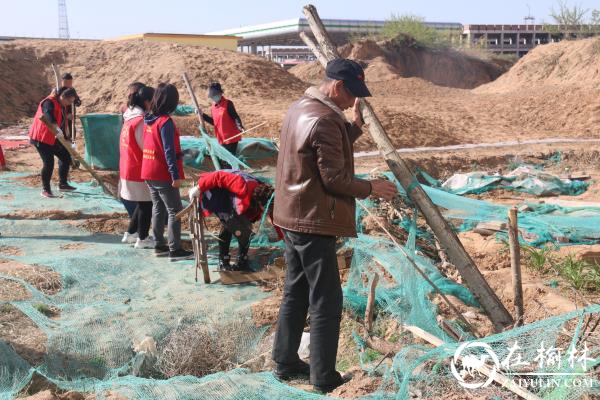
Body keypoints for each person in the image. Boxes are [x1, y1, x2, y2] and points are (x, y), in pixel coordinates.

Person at [271, 59, 398, 392]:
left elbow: (317, 154)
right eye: (351, 95)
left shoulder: (301, 107)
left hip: (292, 215)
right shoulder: (326, 118)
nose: (352, 102)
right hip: (313, 219)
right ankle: (323, 376)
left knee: (295, 291)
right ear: (337, 87)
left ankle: (285, 362)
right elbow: (334, 177)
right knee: (327, 299)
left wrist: (353, 128)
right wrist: (372, 188)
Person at [188, 170, 281, 271]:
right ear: (259, 202)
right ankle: (223, 261)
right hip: (218, 195)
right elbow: (218, 175)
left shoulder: (268, 198)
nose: (266, 213)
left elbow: (276, 220)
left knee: (245, 229)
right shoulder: (241, 185)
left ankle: (242, 261)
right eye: (265, 209)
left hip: (233, 201)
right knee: (237, 228)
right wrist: (199, 188)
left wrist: (285, 239)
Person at [141, 83, 194, 261]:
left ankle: (159, 245)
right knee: (175, 210)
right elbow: (168, 151)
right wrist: (175, 176)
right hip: (162, 173)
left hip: (148, 170)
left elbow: (157, 145)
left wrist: (182, 154)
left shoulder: (149, 119)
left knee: (158, 208)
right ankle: (175, 249)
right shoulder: (165, 122)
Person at [119, 83, 155, 249]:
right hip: (138, 167)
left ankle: (131, 233)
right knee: (146, 203)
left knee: (141, 203)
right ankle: (143, 238)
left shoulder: (129, 117)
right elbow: (145, 145)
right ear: (147, 102)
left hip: (128, 165)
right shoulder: (140, 121)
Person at [28, 87, 79, 198]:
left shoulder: (61, 104)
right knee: (49, 162)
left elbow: (62, 122)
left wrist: (65, 137)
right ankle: (45, 190)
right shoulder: (48, 102)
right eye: (69, 101)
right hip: (41, 138)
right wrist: (57, 129)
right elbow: (48, 116)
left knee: (65, 156)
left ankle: (63, 184)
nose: (69, 104)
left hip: (53, 137)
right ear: (62, 97)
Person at [201, 82, 245, 167]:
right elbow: (214, 122)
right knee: (223, 161)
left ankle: (229, 177)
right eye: (212, 96)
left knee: (228, 162)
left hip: (231, 138)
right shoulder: (213, 107)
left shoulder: (228, 104)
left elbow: (235, 116)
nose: (214, 98)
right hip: (221, 139)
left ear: (220, 94)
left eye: (215, 95)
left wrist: (239, 125)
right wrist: (203, 116)